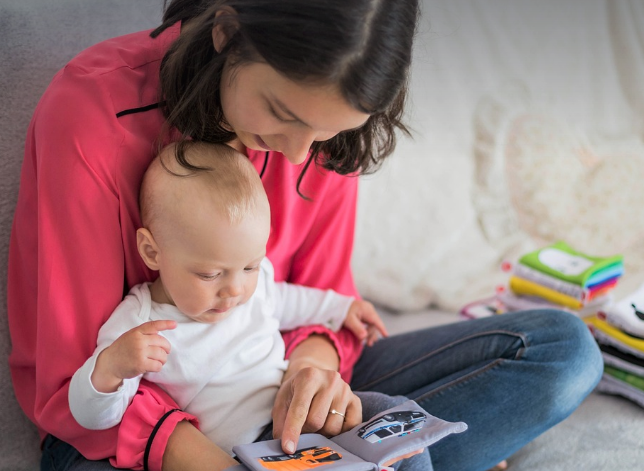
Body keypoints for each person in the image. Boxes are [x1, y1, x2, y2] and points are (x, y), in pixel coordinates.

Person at [7, 0, 603, 470]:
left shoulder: (322, 136)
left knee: (564, 352)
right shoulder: (90, 116)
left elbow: (320, 300)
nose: (299, 154)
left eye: (325, 133)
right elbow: (76, 384)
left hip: (275, 399)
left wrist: (311, 374)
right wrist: (214, 464)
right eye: (283, 114)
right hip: (123, 434)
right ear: (226, 31)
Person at [68, 142, 389, 457]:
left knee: (388, 415)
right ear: (153, 252)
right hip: (245, 453)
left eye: (250, 266)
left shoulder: (252, 283)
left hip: (295, 417)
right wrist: (111, 368)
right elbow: (93, 417)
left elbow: (289, 300)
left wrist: (342, 308)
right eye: (210, 274)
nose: (235, 290)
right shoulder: (140, 323)